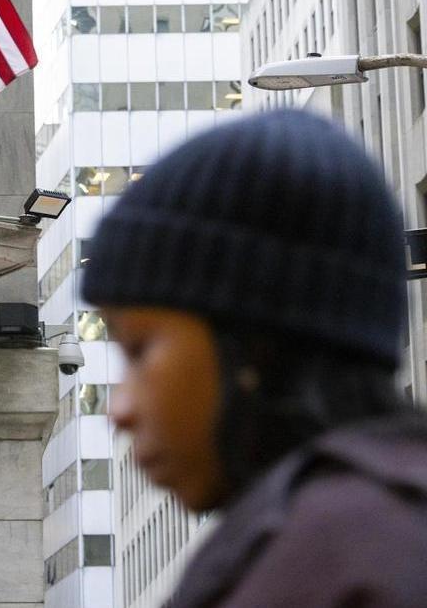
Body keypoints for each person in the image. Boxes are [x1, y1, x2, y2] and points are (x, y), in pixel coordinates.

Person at [80, 109, 427, 607]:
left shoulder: (341, 558)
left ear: (257, 344)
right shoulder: (357, 532)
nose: (120, 410)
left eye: (139, 350)